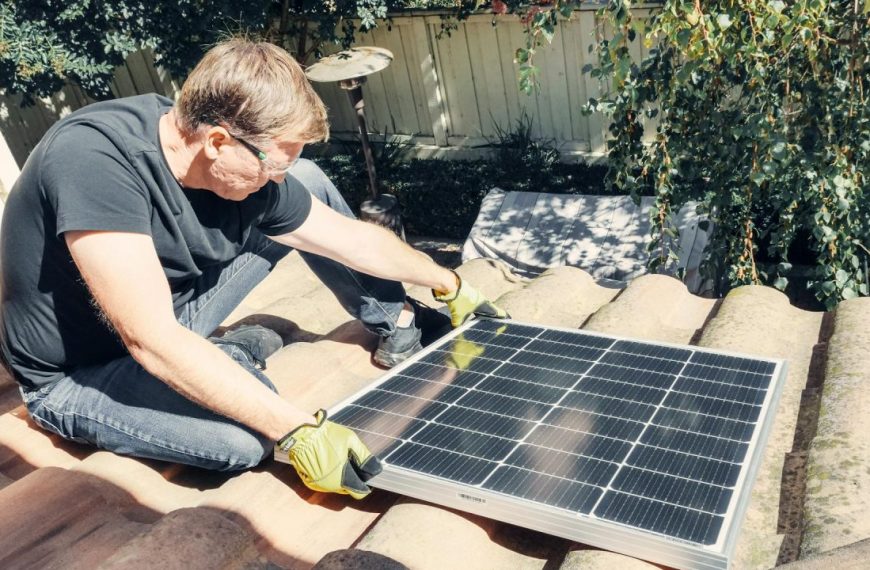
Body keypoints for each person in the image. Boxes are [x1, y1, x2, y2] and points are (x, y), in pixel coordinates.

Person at [0, 39, 507, 499]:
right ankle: (223, 358)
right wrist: (298, 429)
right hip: (78, 371)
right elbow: (147, 337)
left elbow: (350, 239)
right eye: (273, 163)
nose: (276, 179)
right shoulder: (96, 160)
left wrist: (448, 281)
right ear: (218, 141)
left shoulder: (250, 171)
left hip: (174, 311)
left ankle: (396, 325)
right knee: (245, 440)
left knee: (309, 183)